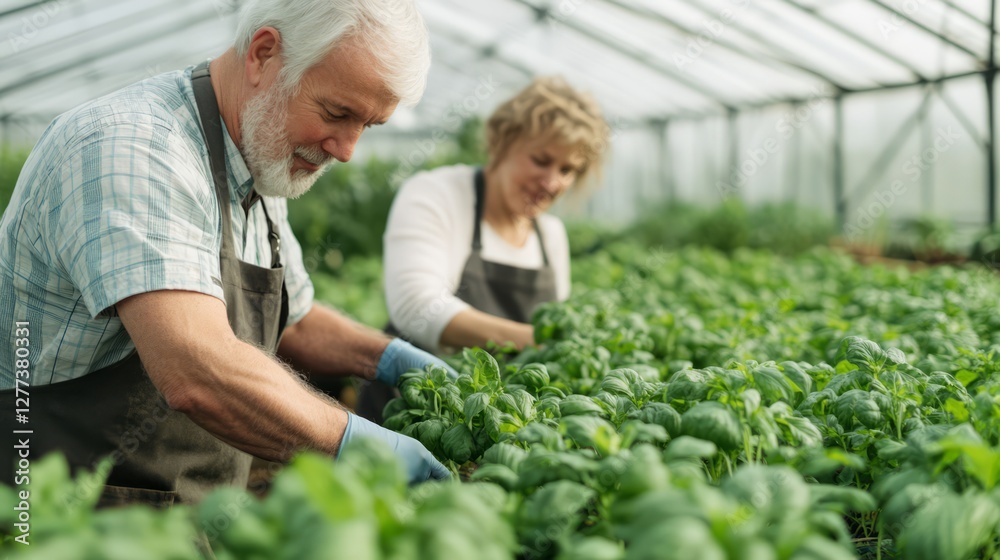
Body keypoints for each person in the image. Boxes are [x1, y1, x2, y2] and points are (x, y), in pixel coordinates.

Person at [0, 0, 455, 506]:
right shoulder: (136, 149)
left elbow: (297, 322)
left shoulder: (258, 159)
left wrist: (395, 360)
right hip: (62, 511)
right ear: (262, 54)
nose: (347, 149)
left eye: (368, 125)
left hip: (177, 508)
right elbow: (197, 370)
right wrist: (354, 442)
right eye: (337, 113)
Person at [357, 77, 609, 423]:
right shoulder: (437, 194)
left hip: (498, 422)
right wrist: (535, 342)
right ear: (501, 142)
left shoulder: (551, 236)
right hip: (416, 411)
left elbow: (553, 324)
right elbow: (417, 308)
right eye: (541, 160)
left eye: (567, 170)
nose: (551, 183)